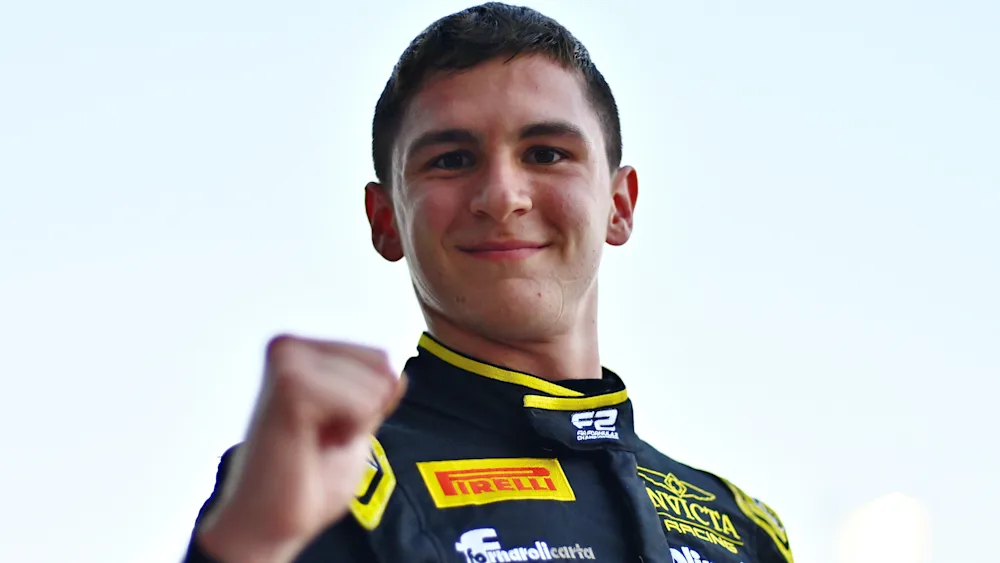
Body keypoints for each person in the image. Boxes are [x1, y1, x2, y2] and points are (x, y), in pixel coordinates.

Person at [183, 3, 794, 562]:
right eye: (451, 160)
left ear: (619, 205)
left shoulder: (746, 532)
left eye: (546, 153)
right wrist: (251, 543)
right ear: (386, 221)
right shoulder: (323, 485)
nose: (502, 197)